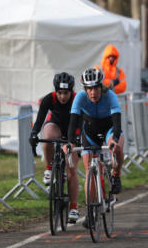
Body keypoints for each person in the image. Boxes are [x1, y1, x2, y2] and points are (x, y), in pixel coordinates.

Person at [63, 67, 124, 227]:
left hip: (109, 128)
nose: (93, 92)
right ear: (85, 89)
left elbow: (117, 121)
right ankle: (90, 212)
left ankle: (116, 175)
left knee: (116, 148)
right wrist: (70, 143)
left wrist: (114, 140)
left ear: (100, 87)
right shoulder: (80, 98)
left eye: (96, 88)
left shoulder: (109, 95)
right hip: (90, 131)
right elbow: (73, 122)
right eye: (89, 89)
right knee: (90, 169)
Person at [29, 72, 81, 223]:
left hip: (73, 129)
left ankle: (73, 207)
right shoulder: (48, 99)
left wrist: (76, 140)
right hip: (56, 125)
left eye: (66, 93)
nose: (63, 97)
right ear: (55, 91)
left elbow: (82, 122)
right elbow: (39, 121)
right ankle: (49, 167)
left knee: (71, 171)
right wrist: (33, 134)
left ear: (71, 92)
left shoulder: (78, 99)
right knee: (48, 137)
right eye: (59, 93)